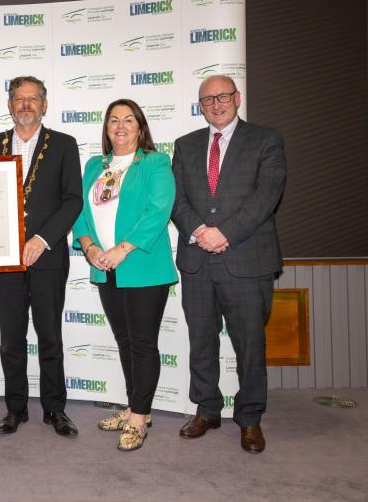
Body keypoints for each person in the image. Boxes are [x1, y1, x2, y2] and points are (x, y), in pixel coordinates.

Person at [172, 75, 286, 453]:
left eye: (222, 96)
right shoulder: (185, 146)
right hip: (197, 261)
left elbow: (267, 195)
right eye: (207, 100)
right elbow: (177, 200)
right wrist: (200, 231)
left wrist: (225, 233)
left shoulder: (266, 140)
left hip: (247, 259)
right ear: (200, 106)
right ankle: (207, 409)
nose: (216, 104)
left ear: (237, 98)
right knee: (201, 341)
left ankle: (250, 417)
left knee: (250, 345)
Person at [72, 99, 177, 451]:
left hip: (143, 268)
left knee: (143, 343)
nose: (120, 126)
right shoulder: (93, 166)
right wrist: (88, 247)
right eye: (113, 120)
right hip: (105, 268)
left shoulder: (156, 162)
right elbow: (80, 212)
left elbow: (158, 211)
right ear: (106, 128)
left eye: (128, 120)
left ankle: (139, 417)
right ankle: (135, 408)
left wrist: (122, 249)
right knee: (125, 342)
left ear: (140, 126)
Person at [0, 76, 83, 437]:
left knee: (50, 337)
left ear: (44, 104)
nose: (25, 105)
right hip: (4, 259)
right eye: (18, 99)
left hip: (48, 257)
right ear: (9, 105)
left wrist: (42, 239)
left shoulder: (65, 145)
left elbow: (73, 200)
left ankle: (55, 409)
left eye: (33, 99)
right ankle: (15, 409)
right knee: (11, 338)